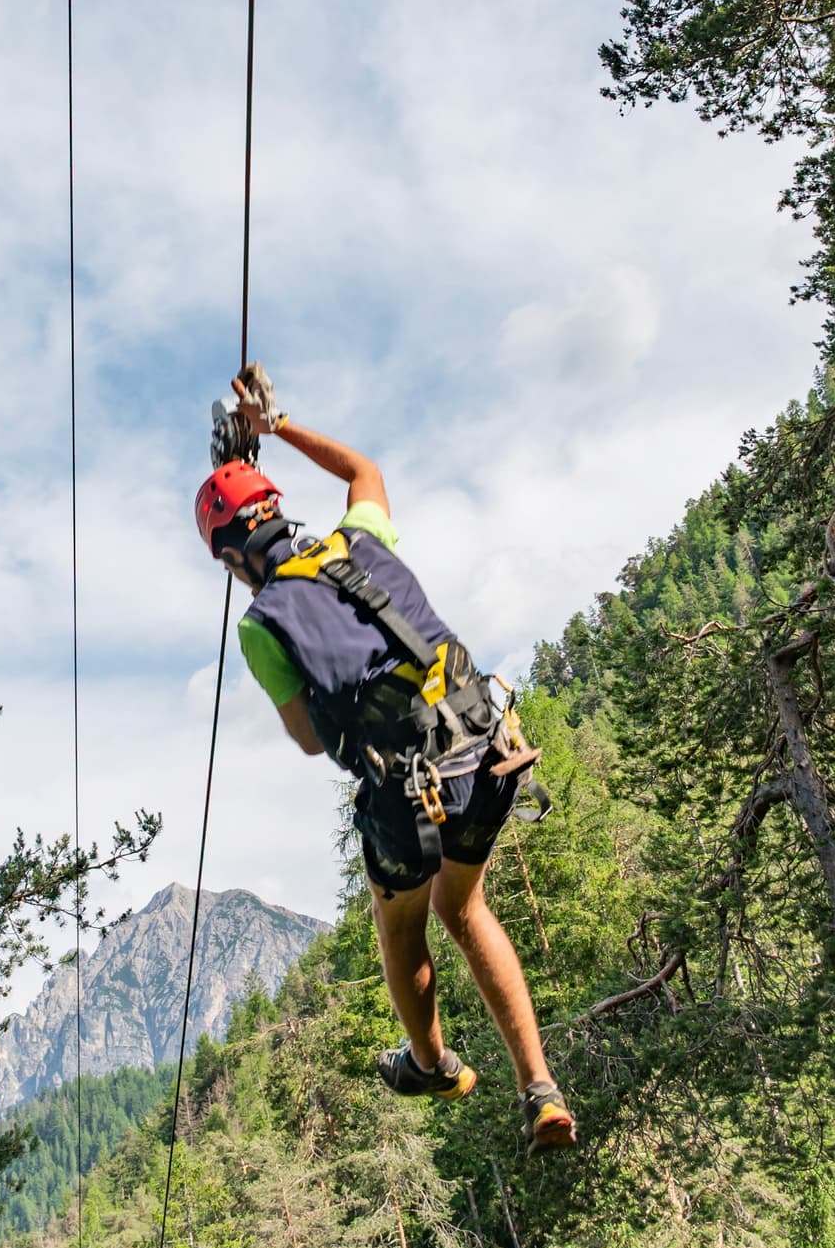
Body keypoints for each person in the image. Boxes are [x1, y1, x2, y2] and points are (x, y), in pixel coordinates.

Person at [194, 375, 575, 1151]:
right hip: (487, 748)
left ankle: (432, 1064)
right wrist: (278, 424)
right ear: (279, 511)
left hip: (411, 790)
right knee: (465, 909)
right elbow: (364, 471)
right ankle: (540, 1089)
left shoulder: (261, 625)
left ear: (233, 560)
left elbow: (309, 738)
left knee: (401, 925)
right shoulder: (358, 541)